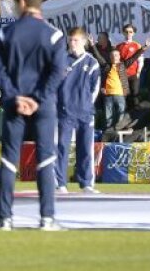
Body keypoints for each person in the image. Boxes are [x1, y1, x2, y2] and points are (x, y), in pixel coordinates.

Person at [0, 0, 68, 231]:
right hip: (44, 105)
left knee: (10, 161)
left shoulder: (4, 33)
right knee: (46, 160)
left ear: (22, 3)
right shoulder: (54, 35)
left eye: (14, 4)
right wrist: (38, 98)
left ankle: (5, 219)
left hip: (14, 104)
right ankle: (47, 219)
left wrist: (16, 96)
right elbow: (58, 72)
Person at [55, 28, 100, 195]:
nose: (71, 43)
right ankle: (60, 183)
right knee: (62, 147)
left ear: (83, 41)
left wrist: (87, 105)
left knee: (85, 148)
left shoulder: (92, 62)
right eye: (70, 40)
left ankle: (86, 183)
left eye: (75, 40)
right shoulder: (62, 60)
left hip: (85, 112)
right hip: (65, 112)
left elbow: (95, 87)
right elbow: (54, 85)